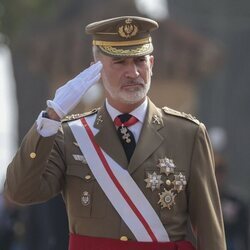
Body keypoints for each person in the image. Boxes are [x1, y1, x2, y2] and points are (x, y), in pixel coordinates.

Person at [4, 16, 226, 250]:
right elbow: (20, 192)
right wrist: (51, 118)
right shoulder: (70, 135)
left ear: (151, 64)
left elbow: (210, 232)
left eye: (140, 61)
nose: (133, 72)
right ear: (96, 69)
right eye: (119, 62)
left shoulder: (187, 135)